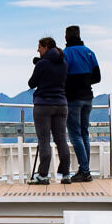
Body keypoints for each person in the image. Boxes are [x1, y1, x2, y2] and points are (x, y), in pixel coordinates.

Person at [28, 37, 72, 184]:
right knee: (61, 139)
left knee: (44, 140)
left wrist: (38, 67)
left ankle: (43, 175)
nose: (37, 50)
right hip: (61, 104)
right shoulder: (64, 63)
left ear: (46, 47)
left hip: (43, 105)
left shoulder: (42, 64)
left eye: (39, 47)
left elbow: (31, 83)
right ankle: (66, 175)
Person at [64, 26, 101, 182]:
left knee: (75, 135)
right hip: (88, 97)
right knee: (84, 133)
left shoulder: (66, 54)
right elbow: (97, 77)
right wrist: (85, 82)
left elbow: (62, 76)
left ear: (66, 37)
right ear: (79, 35)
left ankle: (85, 170)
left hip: (73, 99)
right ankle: (85, 169)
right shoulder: (89, 52)